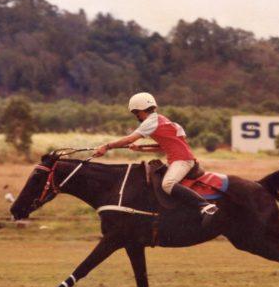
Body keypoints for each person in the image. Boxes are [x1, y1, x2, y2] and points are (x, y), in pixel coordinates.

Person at [94, 92, 219, 227]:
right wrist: (141, 149)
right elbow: (163, 146)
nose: (137, 116)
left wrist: (107, 146)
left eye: (136, 113)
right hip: (178, 160)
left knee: (168, 184)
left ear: (141, 110)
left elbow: (129, 139)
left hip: (183, 160)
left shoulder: (150, 121)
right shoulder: (161, 119)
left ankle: (206, 206)